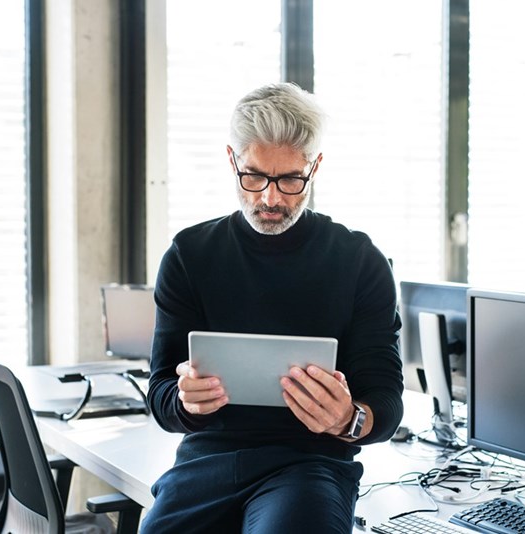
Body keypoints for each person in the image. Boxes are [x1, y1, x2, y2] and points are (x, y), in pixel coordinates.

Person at [141, 82, 404, 533]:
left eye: (290, 180)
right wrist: (184, 400)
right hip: (209, 460)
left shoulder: (360, 261)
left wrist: (348, 419)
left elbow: (386, 399)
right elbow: (161, 392)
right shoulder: (190, 255)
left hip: (310, 464)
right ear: (232, 161)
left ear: (314, 168)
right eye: (254, 176)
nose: (270, 198)